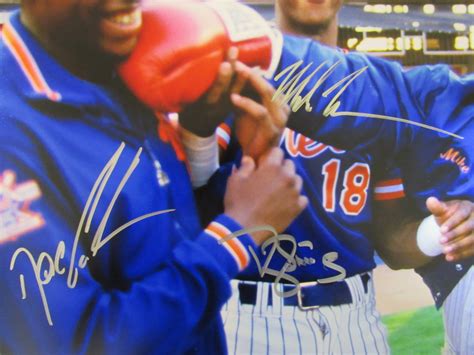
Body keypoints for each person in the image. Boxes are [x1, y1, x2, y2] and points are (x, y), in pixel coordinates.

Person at [0, 1, 308, 353]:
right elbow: (75, 343)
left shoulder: (116, 65)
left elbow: (152, 239)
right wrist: (234, 237)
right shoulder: (10, 129)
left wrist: (207, 144)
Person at [211, 0, 474, 353]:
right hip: (250, 310)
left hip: (354, 314)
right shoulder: (232, 68)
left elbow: (392, 242)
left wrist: (444, 232)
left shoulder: (378, 94)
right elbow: (181, 201)